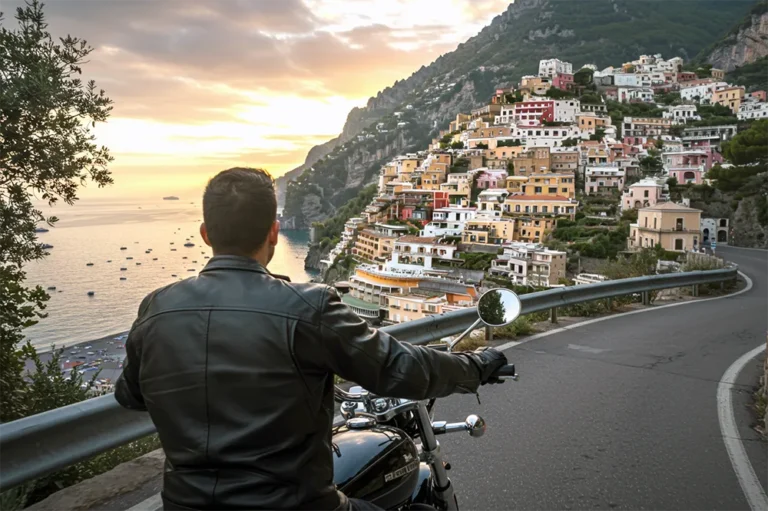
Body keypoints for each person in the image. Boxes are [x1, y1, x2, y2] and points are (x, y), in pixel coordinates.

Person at [115, 168, 508, 511]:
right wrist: (476, 366)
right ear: (273, 231)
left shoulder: (156, 308)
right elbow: (398, 366)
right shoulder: (308, 307)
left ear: (205, 234)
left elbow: (130, 394)